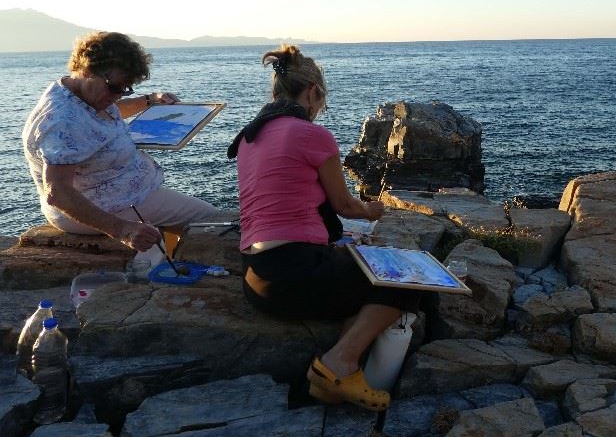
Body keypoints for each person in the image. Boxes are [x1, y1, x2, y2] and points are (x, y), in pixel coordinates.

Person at [228, 45, 420, 411]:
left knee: (356, 277)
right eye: (321, 100)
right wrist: (371, 211)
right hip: (293, 276)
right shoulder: (310, 135)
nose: (319, 109)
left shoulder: (251, 135)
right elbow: (344, 206)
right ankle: (337, 366)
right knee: (405, 282)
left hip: (256, 277)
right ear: (313, 92)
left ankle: (337, 370)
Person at [22, 31, 225, 253]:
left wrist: (149, 100)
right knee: (214, 221)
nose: (118, 95)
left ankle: (167, 256)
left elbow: (109, 110)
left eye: (125, 89)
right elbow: (58, 192)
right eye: (115, 87)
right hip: (106, 205)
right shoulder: (61, 121)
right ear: (88, 69)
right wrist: (123, 230)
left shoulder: (79, 93)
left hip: (121, 193)